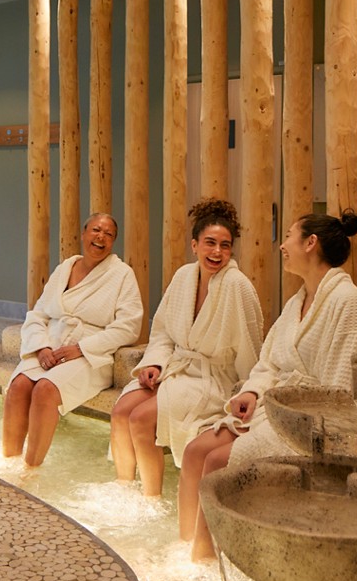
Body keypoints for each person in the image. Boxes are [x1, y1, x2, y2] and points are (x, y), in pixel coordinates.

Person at [178, 209, 357, 560]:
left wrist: (297, 418)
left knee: (217, 462)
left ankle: (204, 561)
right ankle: (182, 548)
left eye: (288, 236)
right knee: (195, 452)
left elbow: (342, 392)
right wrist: (252, 391)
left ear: (310, 243)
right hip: (274, 409)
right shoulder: (297, 302)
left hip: (309, 425)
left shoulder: (349, 305)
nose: (283, 245)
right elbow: (269, 362)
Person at [109, 198, 263, 495]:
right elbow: (163, 331)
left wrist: (249, 392)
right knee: (121, 411)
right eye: (210, 243)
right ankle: (124, 488)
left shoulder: (238, 285)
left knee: (140, 418)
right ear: (195, 245)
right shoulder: (183, 277)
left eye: (225, 246)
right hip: (177, 369)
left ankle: (150, 497)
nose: (217, 252)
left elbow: (250, 347)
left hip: (212, 380)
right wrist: (154, 363)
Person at [3, 213, 143, 467]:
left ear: (113, 242)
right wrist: (41, 347)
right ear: (83, 233)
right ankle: (9, 462)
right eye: (96, 230)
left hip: (91, 355)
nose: (101, 237)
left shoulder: (122, 274)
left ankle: (30, 469)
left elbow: (129, 327)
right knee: (19, 385)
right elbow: (38, 314)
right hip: (51, 346)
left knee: (45, 389)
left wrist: (81, 348)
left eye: (109, 234)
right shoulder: (64, 268)